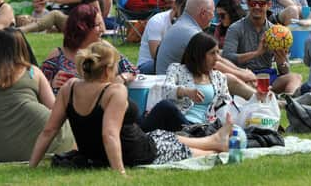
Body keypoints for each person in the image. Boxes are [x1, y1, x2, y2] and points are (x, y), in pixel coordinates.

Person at [30, 41, 234, 174]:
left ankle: (215, 139)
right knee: (184, 149)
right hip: (136, 152)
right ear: (109, 68)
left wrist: (32, 165)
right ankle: (216, 144)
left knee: (162, 134)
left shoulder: (69, 87)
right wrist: (120, 173)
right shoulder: (113, 92)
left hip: (98, 152)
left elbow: (49, 130)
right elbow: (109, 135)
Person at [0, 28, 74, 162]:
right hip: (54, 140)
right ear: (22, 47)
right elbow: (55, 109)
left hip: (9, 153)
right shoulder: (33, 71)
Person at [142, 32, 232, 132]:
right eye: (212, 53)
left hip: (203, 127)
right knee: (161, 107)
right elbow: (166, 91)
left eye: (217, 52)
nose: (217, 58)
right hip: (180, 121)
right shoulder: (177, 69)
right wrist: (186, 92)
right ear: (199, 55)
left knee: (164, 107)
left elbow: (226, 104)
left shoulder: (219, 78)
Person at [222, 0, 302, 95]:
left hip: (267, 77)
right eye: (253, 3)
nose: (257, 7)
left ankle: (290, 100)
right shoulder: (235, 28)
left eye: (261, 3)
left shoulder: (276, 31)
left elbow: (285, 71)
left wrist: (281, 61)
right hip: (244, 76)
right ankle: (273, 97)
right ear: (247, 4)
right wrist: (256, 53)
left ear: (269, 5)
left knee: (295, 78)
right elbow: (227, 57)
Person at [41, 4, 137, 94]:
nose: (102, 30)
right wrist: (51, 84)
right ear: (82, 28)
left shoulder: (105, 49)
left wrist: (121, 78)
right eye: (97, 25)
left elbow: (132, 70)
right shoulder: (58, 55)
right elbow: (39, 86)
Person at [155, 0, 215, 75]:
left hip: (169, 80)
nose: (213, 16)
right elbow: (215, 63)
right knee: (232, 80)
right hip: (174, 84)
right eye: (212, 12)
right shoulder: (192, 33)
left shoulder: (182, 24)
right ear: (203, 13)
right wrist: (239, 72)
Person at [137, 0, 189, 74]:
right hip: (148, 64)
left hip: (175, 63)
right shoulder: (157, 21)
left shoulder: (189, 24)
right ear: (174, 6)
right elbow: (155, 55)